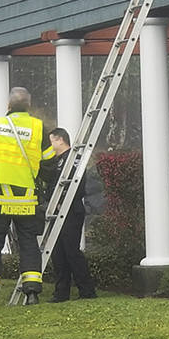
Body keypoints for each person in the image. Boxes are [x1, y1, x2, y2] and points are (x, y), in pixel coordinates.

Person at [0, 87, 56, 307]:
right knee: (29, 244)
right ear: (28, 106)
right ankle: (32, 293)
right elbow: (49, 162)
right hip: (27, 201)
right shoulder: (38, 127)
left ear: (8, 106)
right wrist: (41, 185)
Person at [45, 128, 97, 302]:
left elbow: (78, 185)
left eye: (52, 141)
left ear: (60, 140)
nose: (50, 146)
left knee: (71, 251)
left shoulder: (74, 159)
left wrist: (63, 200)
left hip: (71, 210)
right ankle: (61, 292)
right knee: (57, 252)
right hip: (56, 211)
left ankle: (87, 290)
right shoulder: (56, 161)